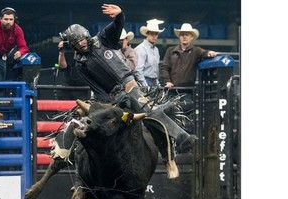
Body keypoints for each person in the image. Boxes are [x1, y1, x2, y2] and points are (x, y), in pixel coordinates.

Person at [60, 4, 197, 177]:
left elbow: (116, 27)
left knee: (150, 112)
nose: (81, 44)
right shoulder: (80, 63)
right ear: (73, 45)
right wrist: (107, 102)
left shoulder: (101, 39)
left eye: (82, 40)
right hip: (112, 95)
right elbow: (94, 86)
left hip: (128, 83)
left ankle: (177, 148)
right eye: (76, 43)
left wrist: (119, 15)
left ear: (86, 37)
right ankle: (87, 176)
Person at [161, 23, 218, 89]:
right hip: (172, 89)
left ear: (191, 37)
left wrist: (209, 53)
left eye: (187, 35)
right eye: (182, 35)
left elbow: (204, 53)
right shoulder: (170, 50)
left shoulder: (196, 51)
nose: (184, 37)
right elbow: (164, 68)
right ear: (179, 37)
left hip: (188, 90)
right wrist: (167, 81)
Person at [134, 19, 164, 88]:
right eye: (152, 33)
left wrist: (157, 82)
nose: (154, 36)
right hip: (144, 81)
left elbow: (155, 69)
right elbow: (138, 70)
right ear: (147, 34)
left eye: (156, 33)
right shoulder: (141, 49)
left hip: (154, 82)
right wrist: (145, 86)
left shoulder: (156, 50)